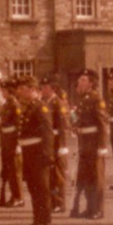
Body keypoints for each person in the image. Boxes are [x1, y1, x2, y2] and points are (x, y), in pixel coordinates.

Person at [16, 75, 54, 225]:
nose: (20, 92)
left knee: (41, 190)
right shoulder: (29, 107)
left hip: (39, 154)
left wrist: (47, 156)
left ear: (33, 90)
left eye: (23, 89)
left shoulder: (40, 107)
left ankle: (44, 223)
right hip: (29, 153)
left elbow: (47, 134)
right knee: (33, 189)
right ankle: (37, 220)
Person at [71, 69, 109, 219]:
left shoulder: (96, 99)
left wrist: (102, 146)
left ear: (91, 83)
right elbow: (79, 119)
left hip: (94, 141)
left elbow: (102, 124)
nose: (80, 82)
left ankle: (98, 209)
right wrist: (75, 125)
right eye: (80, 79)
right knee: (86, 176)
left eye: (83, 80)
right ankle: (89, 207)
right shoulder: (81, 99)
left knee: (96, 176)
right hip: (84, 141)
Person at [41, 75, 70, 213]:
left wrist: (63, 145)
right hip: (48, 142)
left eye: (45, 87)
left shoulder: (58, 103)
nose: (43, 90)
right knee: (50, 174)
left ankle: (60, 202)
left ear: (52, 89)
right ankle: (53, 201)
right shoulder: (44, 102)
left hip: (57, 141)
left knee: (58, 174)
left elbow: (64, 125)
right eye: (42, 87)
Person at [0, 79, 25, 207]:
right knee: (8, 170)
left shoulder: (15, 105)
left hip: (13, 140)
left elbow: (19, 124)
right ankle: (13, 195)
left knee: (15, 170)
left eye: (3, 90)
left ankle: (18, 197)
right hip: (6, 140)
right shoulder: (5, 104)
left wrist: (19, 143)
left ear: (9, 91)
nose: (2, 93)